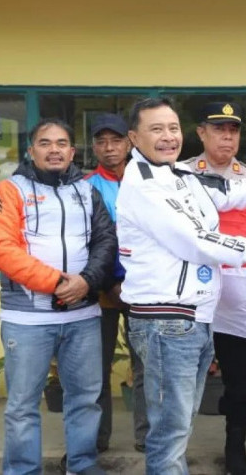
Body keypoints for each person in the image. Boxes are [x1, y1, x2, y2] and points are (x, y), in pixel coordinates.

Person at [117, 98, 246, 475]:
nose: (168, 138)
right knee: (170, 432)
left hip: (192, 319)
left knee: (178, 428)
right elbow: (197, 240)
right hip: (167, 321)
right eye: (156, 129)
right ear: (134, 137)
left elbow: (227, 193)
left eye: (172, 128)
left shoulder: (177, 175)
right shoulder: (146, 186)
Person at [0, 118, 117, 475]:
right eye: (45, 143)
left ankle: (82, 466)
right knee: (23, 406)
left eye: (61, 143)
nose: (54, 149)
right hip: (27, 320)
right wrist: (58, 282)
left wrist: (86, 282)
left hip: (83, 316)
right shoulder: (9, 191)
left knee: (85, 401)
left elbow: (105, 240)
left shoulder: (88, 191)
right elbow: (1, 249)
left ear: (72, 152)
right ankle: (24, 470)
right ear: (31, 150)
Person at [185, 101, 246, 475]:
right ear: (202, 133)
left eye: (233, 130)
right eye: (219, 129)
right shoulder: (179, 175)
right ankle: (173, 451)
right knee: (182, 379)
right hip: (191, 296)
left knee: (241, 382)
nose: (227, 136)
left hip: (237, 297)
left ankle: (236, 448)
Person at [85, 114, 148, 453]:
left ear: (130, 142)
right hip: (102, 291)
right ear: (94, 146)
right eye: (101, 141)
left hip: (145, 290)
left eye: (116, 140)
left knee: (146, 368)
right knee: (97, 369)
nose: (109, 148)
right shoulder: (86, 185)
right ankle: (97, 440)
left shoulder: (148, 180)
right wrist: (110, 283)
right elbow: (91, 240)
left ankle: (146, 438)